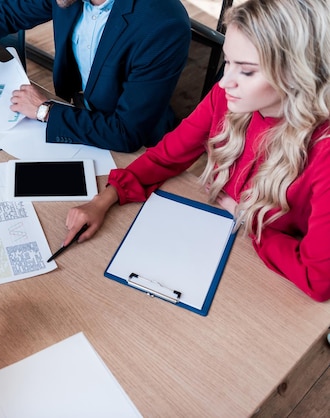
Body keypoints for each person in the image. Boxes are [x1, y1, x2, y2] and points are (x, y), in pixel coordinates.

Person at [64, 0, 330, 302]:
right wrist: (105, 199)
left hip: (268, 279)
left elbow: (317, 278)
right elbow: (167, 156)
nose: (225, 82)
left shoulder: (324, 153)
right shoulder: (227, 96)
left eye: (246, 71)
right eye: (227, 63)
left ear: (296, 73)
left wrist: (243, 218)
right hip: (221, 248)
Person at [0, 0, 190, 153]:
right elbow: (6, 14)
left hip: (133, 146)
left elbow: (127, 133)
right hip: (78, 117)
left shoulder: (163, 24)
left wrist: (45, 111)